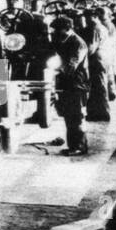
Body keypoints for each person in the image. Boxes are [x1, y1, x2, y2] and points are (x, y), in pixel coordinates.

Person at [50, 16, 91, 155]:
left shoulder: (77, 43)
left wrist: (54, 68)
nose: (55, 33)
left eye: (58, 30)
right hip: (67, 83)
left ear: (68, 29)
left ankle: (79, 147)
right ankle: (73, 146)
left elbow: (71, 66)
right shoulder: (64, 40)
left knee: (77, 116)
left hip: (77, 84)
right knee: (69, 116)